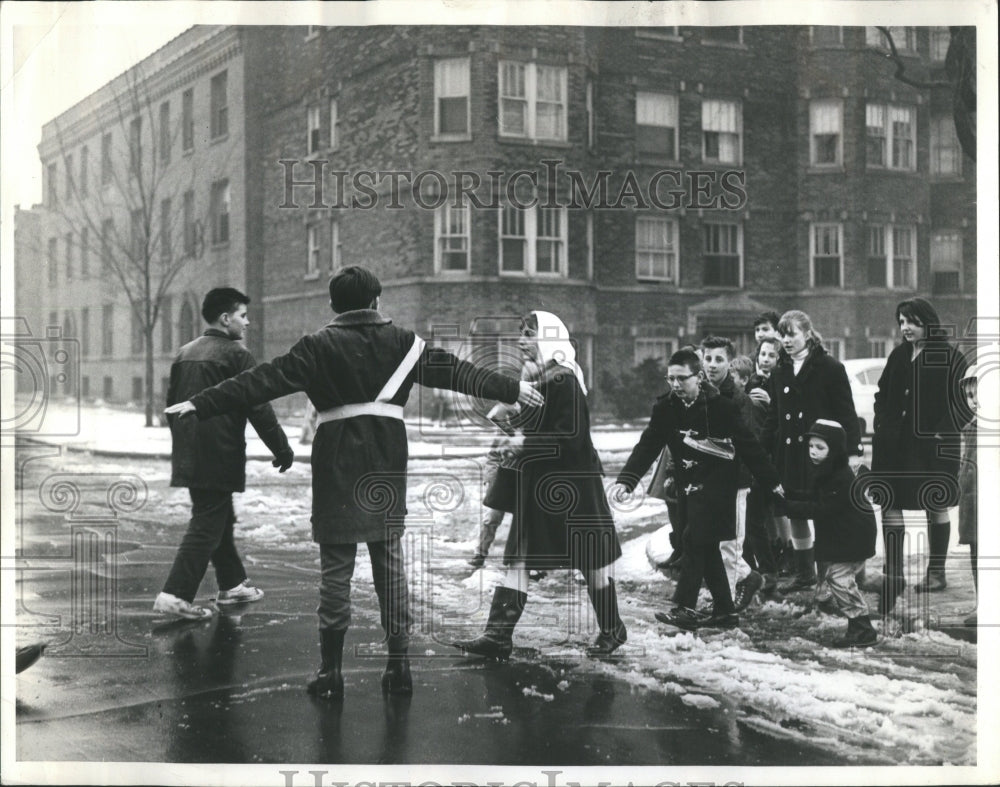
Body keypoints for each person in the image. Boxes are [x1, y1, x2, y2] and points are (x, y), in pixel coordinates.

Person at [165, 267, 544, 699]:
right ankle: (399, 668)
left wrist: (201, 401)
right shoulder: (404, 343)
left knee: (336, 571)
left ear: (333, 305)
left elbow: (259, 382)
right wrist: (511, 388)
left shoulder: (317, 346)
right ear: (377, 301)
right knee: (390, 565)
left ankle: (331, 673)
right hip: (385, 458)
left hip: (336, 460)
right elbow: (457, 371)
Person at [453, 311, 627, 659]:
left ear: (548, 338)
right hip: (543, 484)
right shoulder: (542, 379)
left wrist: (521, 442)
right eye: (521, 334)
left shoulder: (564, 380)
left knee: (590, 562)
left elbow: (572, 438)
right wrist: (506, 420)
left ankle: (613, 629)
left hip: (572, 486)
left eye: (529, 334)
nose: (521, 341)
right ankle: (498, 636)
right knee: (519, 559)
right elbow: (529, 432)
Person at [613, 348, 782, 631]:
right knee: (708, 548)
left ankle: (685, 608)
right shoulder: (666, 408)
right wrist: (627, 480)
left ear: (699, 377)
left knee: (693, 539)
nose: (676, 385)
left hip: (720, 485)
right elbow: (648, 444)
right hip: (689, 486)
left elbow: (748, 445)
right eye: (671, 379)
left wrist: (771, 480)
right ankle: (726, 612)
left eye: (683, 379)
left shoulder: (722, 406)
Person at [154, 288, 294, 621]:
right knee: (207, 523)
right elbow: (258, 406)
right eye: (243, 315)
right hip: (220, 452)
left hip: (191, 453)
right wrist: (282, 448)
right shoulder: (237, 355)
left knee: (218, 518)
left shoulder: (184, 353)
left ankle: (232, 585)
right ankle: (174, 594)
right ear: (225, 318)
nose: (247, 323)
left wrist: (184, 444)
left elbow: (171, 407)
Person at [872, 298, 969, 613]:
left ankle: (936, 572)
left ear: (928, 322)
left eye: (911, 321)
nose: (905, 328)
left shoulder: (950, 358)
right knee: (891, 501)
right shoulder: (899, 355)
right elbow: (882, 393)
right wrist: (882, 422)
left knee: (935, 503)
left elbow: (963, 403)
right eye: (901, 322)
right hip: (894, 445)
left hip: (933, 447)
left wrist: (942, 431)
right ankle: (894, 572)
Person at [761, 310, 862, 595]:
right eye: (782, 335)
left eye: (791, 334)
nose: (786, 340)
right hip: (789, 455)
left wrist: (853, 451)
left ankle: (827, 579)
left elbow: (847, 413)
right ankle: (804, 573)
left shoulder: (829, 367)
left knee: (824, 516)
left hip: (821, 456)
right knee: (795, 512)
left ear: (807, 334)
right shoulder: (779, 370)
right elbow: (774, 416)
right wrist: (759, 451)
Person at [773, 420, 878, 647]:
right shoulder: (827, 470)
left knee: (839, 579)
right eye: (811, 446)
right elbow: (814, 498)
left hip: (854, 538)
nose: (813, 452)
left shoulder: (840, 477)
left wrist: (788, 506)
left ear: (835, 450)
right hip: (846, 536)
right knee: (840, 579)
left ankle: (863, 629)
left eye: (820, 448)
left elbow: (822, 509)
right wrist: (789, 495)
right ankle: (859, 624)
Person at [700, 336, 765, 610]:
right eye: (708, 358)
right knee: (710, 543)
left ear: (730, 363)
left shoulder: (739, 400)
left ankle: (724, 606)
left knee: (729, 544)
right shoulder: (698, 393)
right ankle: (746, 579)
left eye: (719, 360)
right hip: (705, 482)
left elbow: (745, 443)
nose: (712, 365)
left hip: (733, 481)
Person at [957, 362, 978, 627]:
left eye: (977, 395)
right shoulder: (972, 427)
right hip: (972, 504)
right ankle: (982, 602)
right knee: (977, 554)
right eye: (969, 397)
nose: (973, 402)